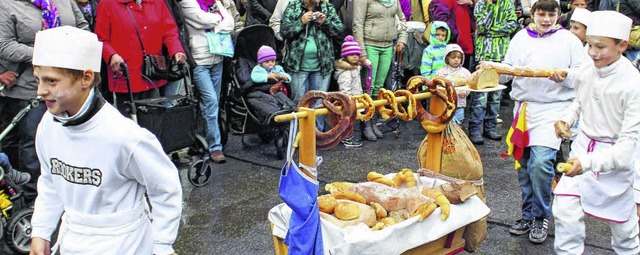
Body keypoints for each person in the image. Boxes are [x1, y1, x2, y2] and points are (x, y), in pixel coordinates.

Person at [29, 26, 182, 255]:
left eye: (51, 81)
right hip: (73, 241)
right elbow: (51, 181)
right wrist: (41, 230)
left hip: (125, 245)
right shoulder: (47, 127)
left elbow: (165, 188)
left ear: (86, 77)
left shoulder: (124, 137)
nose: (40, 91)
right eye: (38, 80)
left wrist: (161, 245)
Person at [489, 0, 590, 244]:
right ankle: (527, 214)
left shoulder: (569, 40)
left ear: (558, 15)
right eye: (541, 14)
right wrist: (492, 68)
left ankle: (541, 215)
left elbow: (584, 74)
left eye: (551, 14)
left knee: (541, 163)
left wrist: (564, 77)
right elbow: (508, 70)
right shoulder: (520, 38)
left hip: (554, 109)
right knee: (524, 166)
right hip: (524, 109)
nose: (546, 19)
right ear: (533, 13)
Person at [552, 11, 640, 255]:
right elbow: (580, 102)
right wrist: (565, 119)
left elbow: (627, 147)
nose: (592, 52)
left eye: (600, 46)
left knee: (624, 233)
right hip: (581, 150)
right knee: (565, 210)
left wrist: (588, 162)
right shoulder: (588, 70)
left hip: (614, 164)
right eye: (589, 44)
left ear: (622, 45)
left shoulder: (633, 84)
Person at [0, 0, 88, 199]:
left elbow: (83, 27)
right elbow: (4, 45)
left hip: (67, 85)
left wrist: (75, 47)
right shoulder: (7, 4)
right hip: (29, 88)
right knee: (33, 145)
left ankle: (66, 191)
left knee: (68, 139)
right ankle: (32, 198)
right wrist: (47, 53)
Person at [94, 0, 187, 116]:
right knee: (130, 125)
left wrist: (176, 50)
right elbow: (100, 39)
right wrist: (112, 55)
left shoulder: (157, 2)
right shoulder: (108, 3)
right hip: (126, 76)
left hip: (153, 74)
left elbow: (170, 31)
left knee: (154, 123)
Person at [181, 0, 234, 163]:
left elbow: (230, 23)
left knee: (211, 103)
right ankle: (215, 147)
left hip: (217, 56)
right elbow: (201, 19)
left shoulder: (215, 2)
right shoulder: (187, 2)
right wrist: (218, 20)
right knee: (210, 101)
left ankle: (200, 140)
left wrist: (214, 24)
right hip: (199, 61)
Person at [281, 0, 344, 131]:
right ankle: (298, 138)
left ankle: (317, 138)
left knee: (319, 104)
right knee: (300, 102)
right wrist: (301, 22)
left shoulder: (327, 7)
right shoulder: (294, 6)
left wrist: (324, 22)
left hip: (322, 66)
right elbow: (284, 31)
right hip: (298, 66)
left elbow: (339, 31)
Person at [353, 0, 407, 139]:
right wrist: (362, 52)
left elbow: (402, 20)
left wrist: (402, 40)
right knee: (368, 88)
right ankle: (365, 122)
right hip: (370, 44)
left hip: (388, 46)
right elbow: (357, 24)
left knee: (379, 87)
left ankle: (374, 121)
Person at [468, 0, 518, 145]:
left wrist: (491, 29)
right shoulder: (481, 5)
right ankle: (475, 130)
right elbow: (482, 27)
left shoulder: (508, 4)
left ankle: (490, 128)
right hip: (484, 55)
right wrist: (490, 8)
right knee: (480, 97)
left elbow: (511, 26)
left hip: (502, 55)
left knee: (496, 96)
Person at [334, 35, 365, 146]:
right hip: (349, 101)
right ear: (346, 56)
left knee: (352, 121)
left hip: (356, 98)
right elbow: (344, 90)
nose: (355, 57)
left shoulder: (355, 68)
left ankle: (349, 136)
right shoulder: (345, 72)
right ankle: (346, 138)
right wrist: (349, 102)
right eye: (352, 55)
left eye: (357, 54)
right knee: (347, 121)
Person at [435, 44, 470, 126]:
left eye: (459, 58)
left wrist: (466, 92)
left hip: (459, 104)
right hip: (445, 105)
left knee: (457, 124)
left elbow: (469, 86)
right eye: (453, 58)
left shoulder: (465, 73)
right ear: (447, 58)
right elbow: (437, 86)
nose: (456, 60)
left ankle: (456, 137)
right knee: (445, 124)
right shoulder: (441, 72)